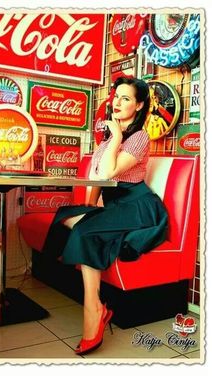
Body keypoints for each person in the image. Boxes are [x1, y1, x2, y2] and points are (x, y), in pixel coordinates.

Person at [44, 76, 168, 355]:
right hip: (115, 205)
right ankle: (98, 307)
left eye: (126, 98)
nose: (118, 102)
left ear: (138, 105)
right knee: (67, 217)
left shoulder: (138, 137)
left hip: (138, 205)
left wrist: (117, 138)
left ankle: (94, 310)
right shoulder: (108, 140)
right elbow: (98, 181)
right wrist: (90, 209)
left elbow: (111, 172)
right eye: (116, 97)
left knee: (85, 232)